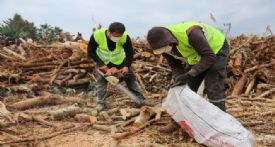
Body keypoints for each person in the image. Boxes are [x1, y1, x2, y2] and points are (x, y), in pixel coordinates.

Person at [147, 21, 229, 133]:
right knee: (185, 89)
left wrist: (190, 74)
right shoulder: (163, 46)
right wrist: (179, 77)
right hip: (196, 56)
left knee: (213, 88)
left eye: (164, 48)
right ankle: (176, 122)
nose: (163, 51)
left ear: (170, 41)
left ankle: (221, 126)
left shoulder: (191, 33)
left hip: (215, 50)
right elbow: (174, 64)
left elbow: (209, 57)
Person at [88, 22, 145, 111]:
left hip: (120, 62)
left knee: (131, 78)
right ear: (109, 32)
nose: (117, 38)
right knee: (101, 82)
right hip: (103, 62)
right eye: (115, 36)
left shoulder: (125, 36)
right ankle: (101, 103)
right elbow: (91, 52)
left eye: (119, 36)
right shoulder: (97, 35)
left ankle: (140, 99)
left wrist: (126, 66)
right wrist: (102, 66)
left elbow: (129, 53)